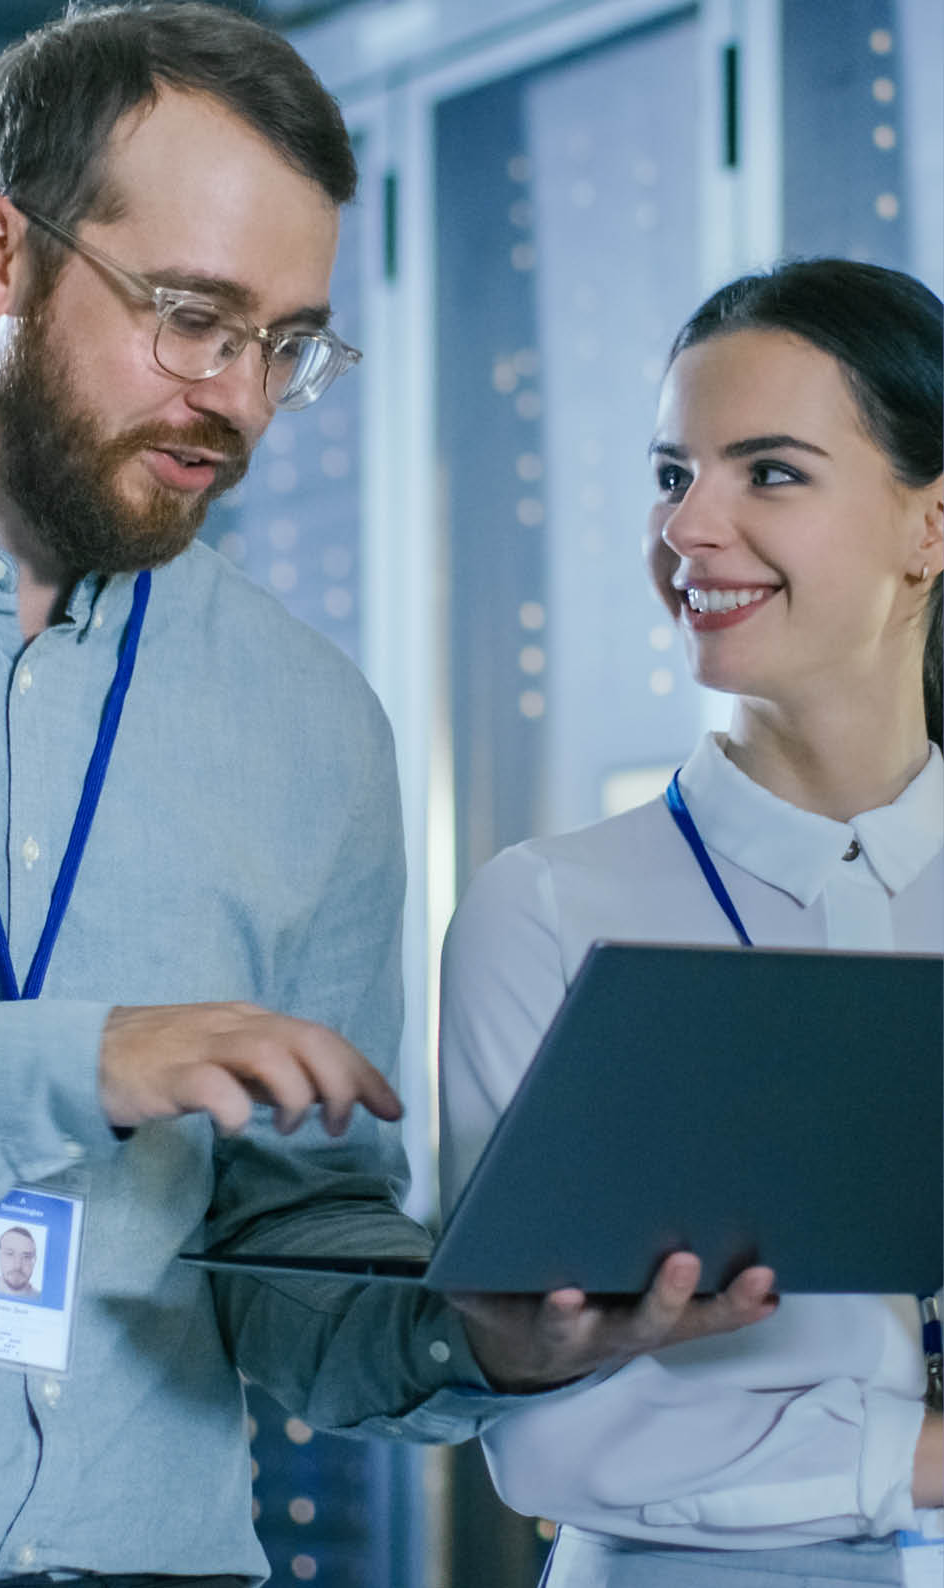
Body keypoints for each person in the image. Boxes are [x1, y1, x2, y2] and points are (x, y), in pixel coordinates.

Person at [0, 5, 776, 1584]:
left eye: (288, 346)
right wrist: (75, 1063)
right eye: (193, 319)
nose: (245, 402)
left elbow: (288, 1251)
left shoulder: (311, 721)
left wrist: (481, 1337)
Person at [439, 257, 944, 1586]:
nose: (689, 528)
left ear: (928, 531)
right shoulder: (549, 910)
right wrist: (916, 1459)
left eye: (768, 472)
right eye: (673, 476)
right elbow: (547, 1429)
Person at [0, 1226, 41, 1298]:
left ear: (34, 1261)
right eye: (10, 1254)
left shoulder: (40, 1298)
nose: (17, 1266)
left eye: (26, 1257)